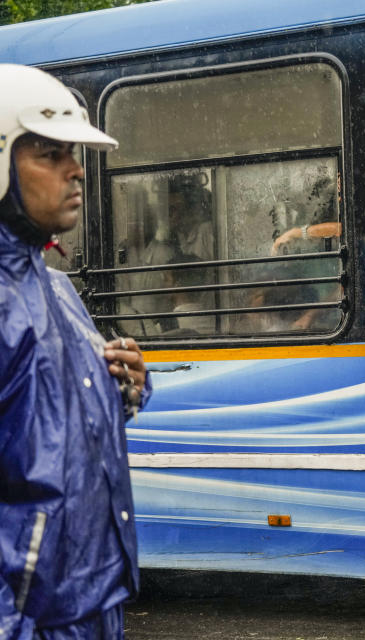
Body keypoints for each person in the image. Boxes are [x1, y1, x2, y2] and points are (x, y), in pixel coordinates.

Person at [0, 64, 151, 638]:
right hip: (31, 617)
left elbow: (45, 420)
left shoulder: (56, 286)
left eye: (75, 153)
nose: (76, 170)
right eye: (49, 153)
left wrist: (128, 387)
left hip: (92, 598)